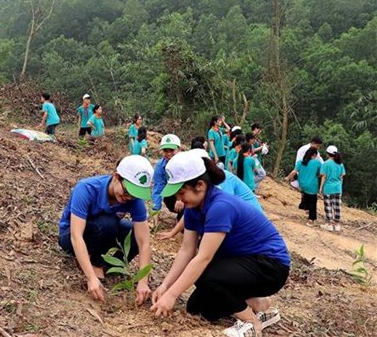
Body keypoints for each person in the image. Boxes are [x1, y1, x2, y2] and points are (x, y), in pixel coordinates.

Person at [150, 151, 290, 337]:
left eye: (182, 193)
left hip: (270, 266)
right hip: (240, 262)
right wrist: (165, 287)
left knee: (207, 275)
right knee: (199, 309)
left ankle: (252, 323)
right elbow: (187, 251)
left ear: (200, 185)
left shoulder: (220, 206)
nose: (179, 200)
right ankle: (258, 304)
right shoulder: (193, 208)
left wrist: (172, 296)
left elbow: (203, 257)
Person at [58, 155, 154, 304]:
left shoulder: (133, 200)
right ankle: (93, 264)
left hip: (103, 233)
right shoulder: (86, 188)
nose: (129, 198)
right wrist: (90, 278)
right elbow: (76, 235)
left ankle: (108, 267)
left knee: (131, 232)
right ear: (116, 177)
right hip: (70, 235)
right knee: (107, 224)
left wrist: (143, 281)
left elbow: (144, 242)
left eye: (134, 195)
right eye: (127, 192)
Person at [157, 144, 263, 241]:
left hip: (249, 226)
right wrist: (173, 233)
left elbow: (224, 211)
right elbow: (189, 214)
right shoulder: (206, 185)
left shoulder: (223, 182)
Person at [286, 147, 322, 226]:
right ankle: (311, 219)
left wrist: (287, 178)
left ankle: (306, 209)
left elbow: (294, 171)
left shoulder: (300, 162)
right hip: (312, 185)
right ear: (314, 155)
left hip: (302, 185)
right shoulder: (317, 163)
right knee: (313, 202)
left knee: (306, 196)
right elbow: (320, 174)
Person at [319, 145, 346, 232]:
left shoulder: (325, 164)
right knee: (337, 206)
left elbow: (324, 177)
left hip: (328, 188)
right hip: (338, 188)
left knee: (328, 206)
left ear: (327, 154)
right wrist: (340, 186)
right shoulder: (340, 164)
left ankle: (329, 225)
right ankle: (337, 225)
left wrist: (320, 188)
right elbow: (342, 176)